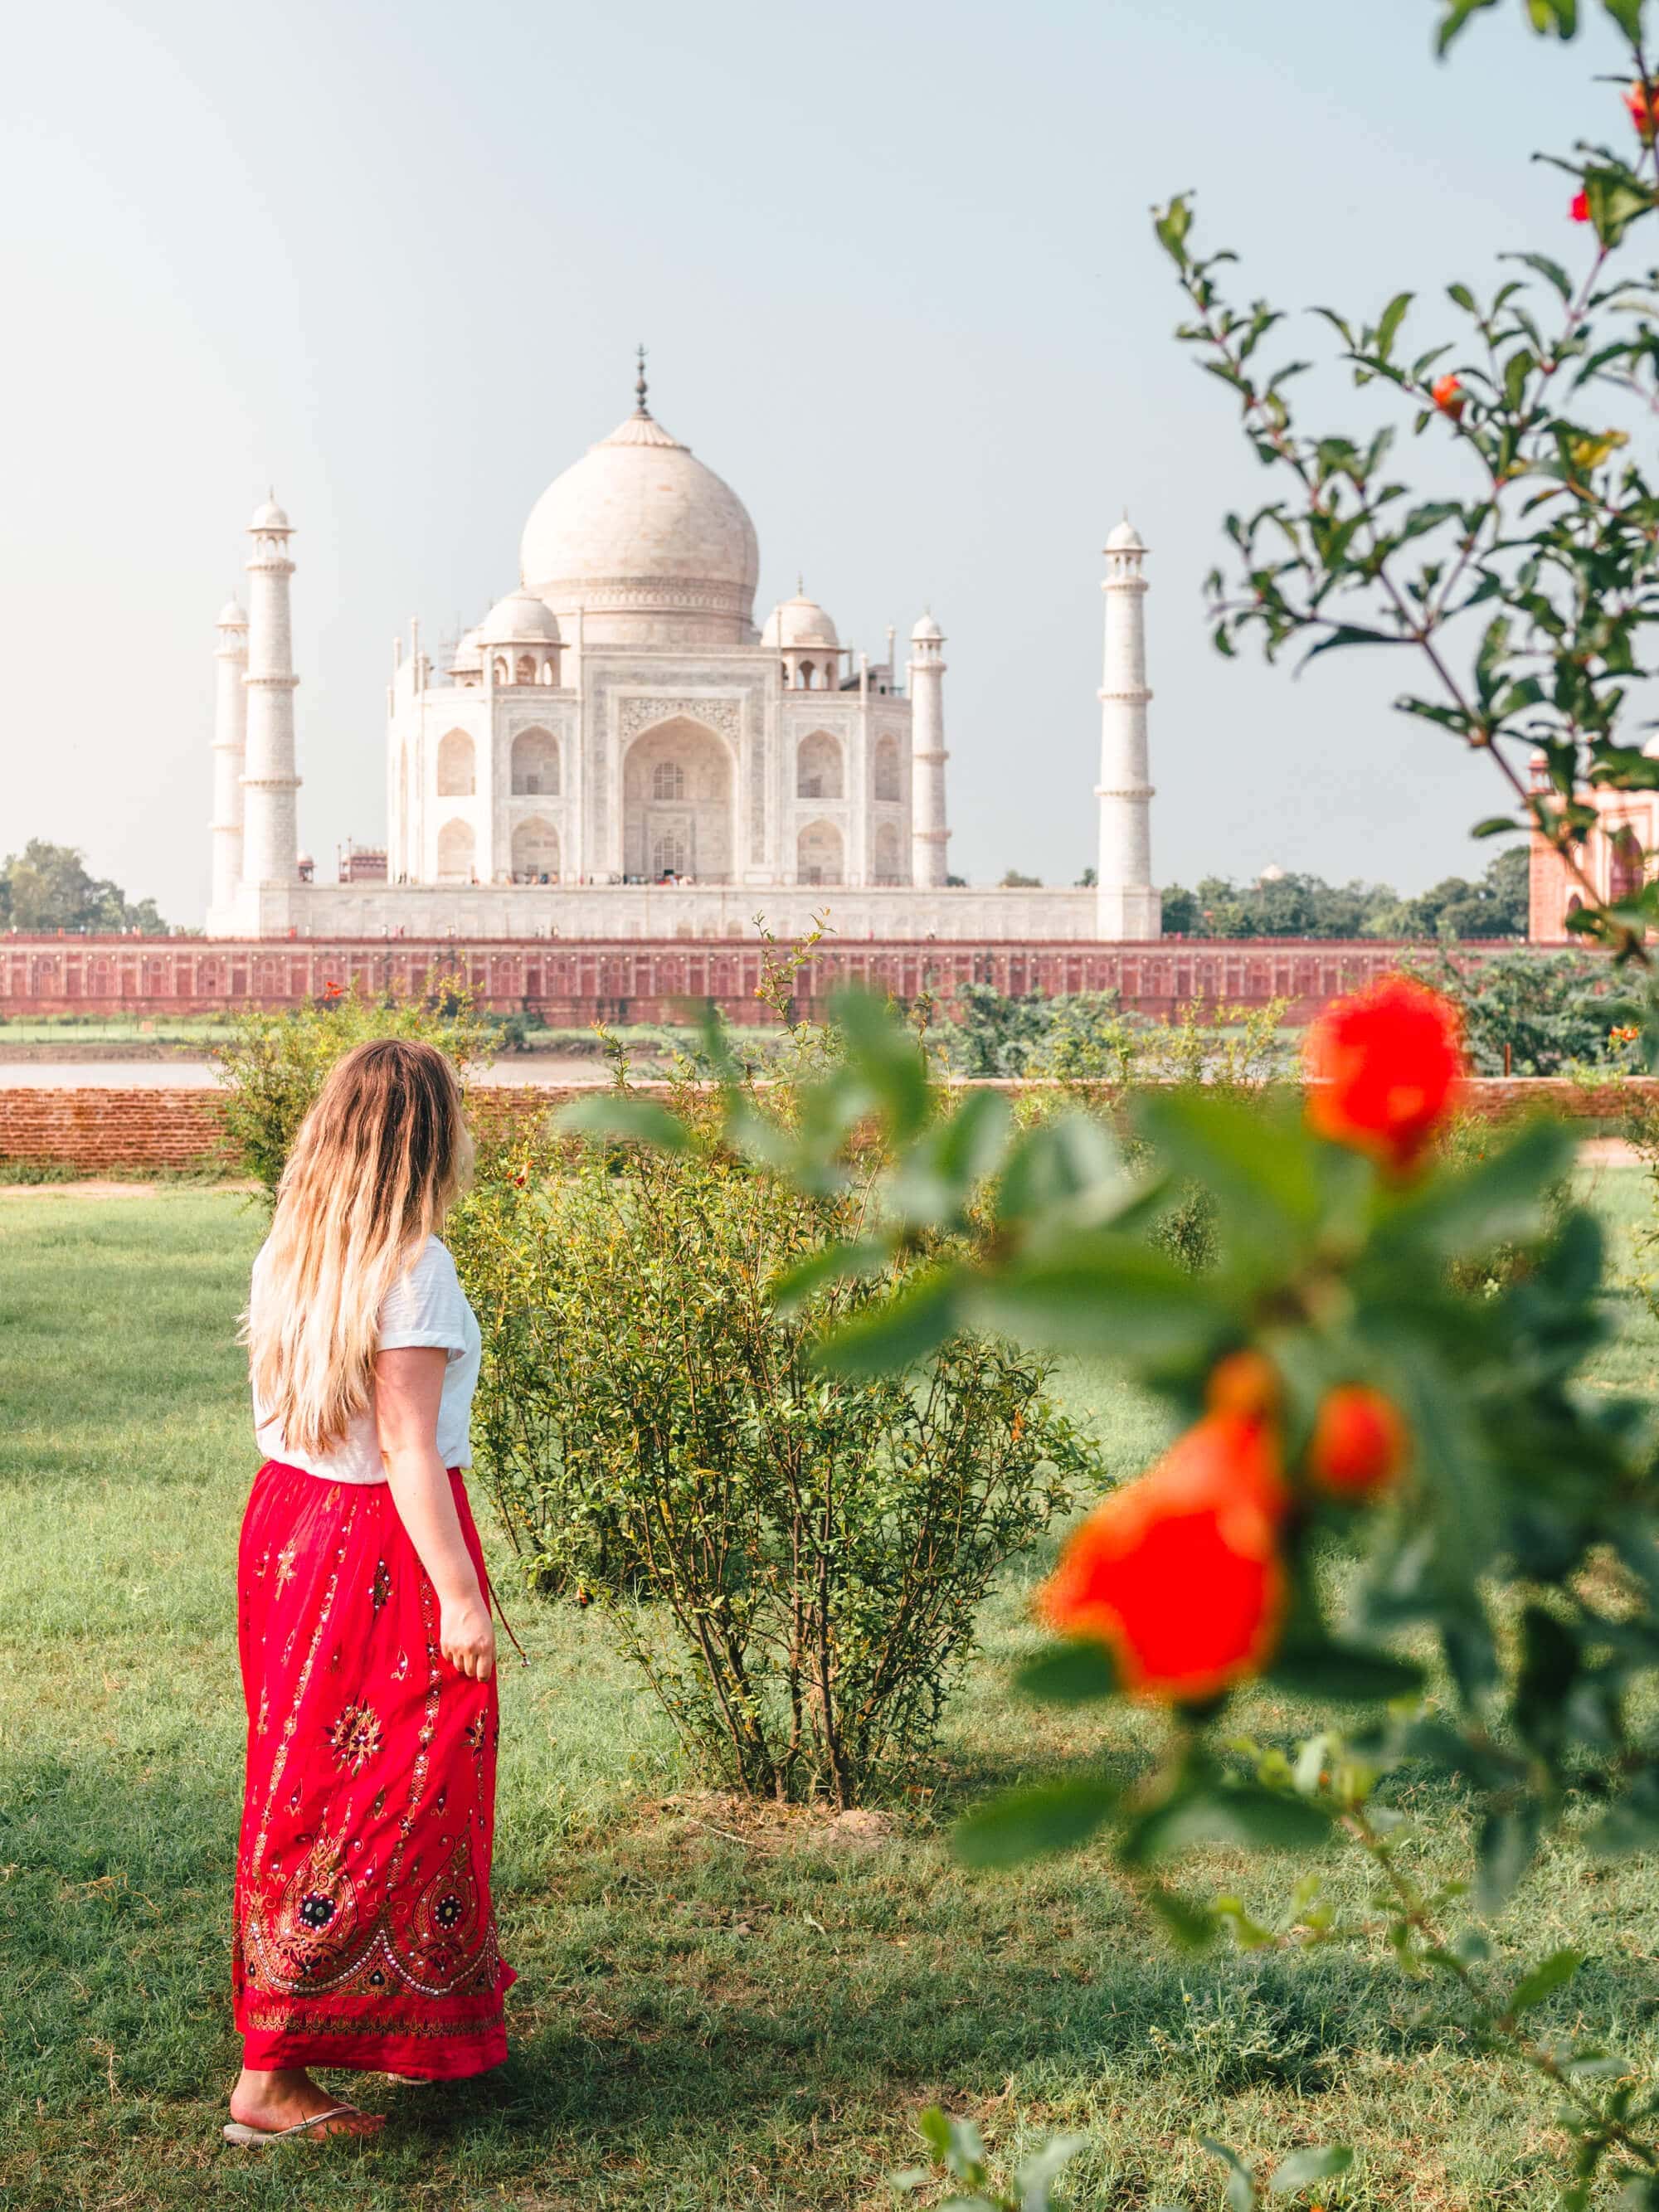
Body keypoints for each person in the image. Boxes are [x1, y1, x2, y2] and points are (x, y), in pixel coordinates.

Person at [224, 1038, 514, 2146]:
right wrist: (462, 1598)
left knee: (308, 1786)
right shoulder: (413, 1264)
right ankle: (282, 2070)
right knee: (407, 1779)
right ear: (431, 1138)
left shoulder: (293, 1253)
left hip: (290, 1527)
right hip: (381, 1541)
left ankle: (315, 2029)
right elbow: (403, 1445)